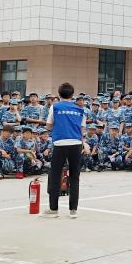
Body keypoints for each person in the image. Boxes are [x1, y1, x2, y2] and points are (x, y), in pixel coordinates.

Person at [45, 82, 87, 219]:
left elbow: (48, 126)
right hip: (76, 143)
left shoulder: (55, 107)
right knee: (75, 177)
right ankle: (73, 210)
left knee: (55, 175)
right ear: (72, 94)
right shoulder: (80, 110)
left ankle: (53, 209)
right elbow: (82, 129)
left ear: (59, 94)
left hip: (60, 143)